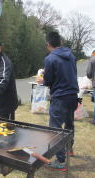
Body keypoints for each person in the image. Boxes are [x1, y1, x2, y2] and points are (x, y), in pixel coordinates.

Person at [37, 31, 79, 171]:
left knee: (54, 129)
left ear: (48, 44)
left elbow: (48, 80)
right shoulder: (71, 55)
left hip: (60, 96)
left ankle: (61, 161)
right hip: (73, 94)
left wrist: (41, 80)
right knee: (69, 124)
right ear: (60, 42)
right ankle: (69, 149)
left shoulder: (50, 58)